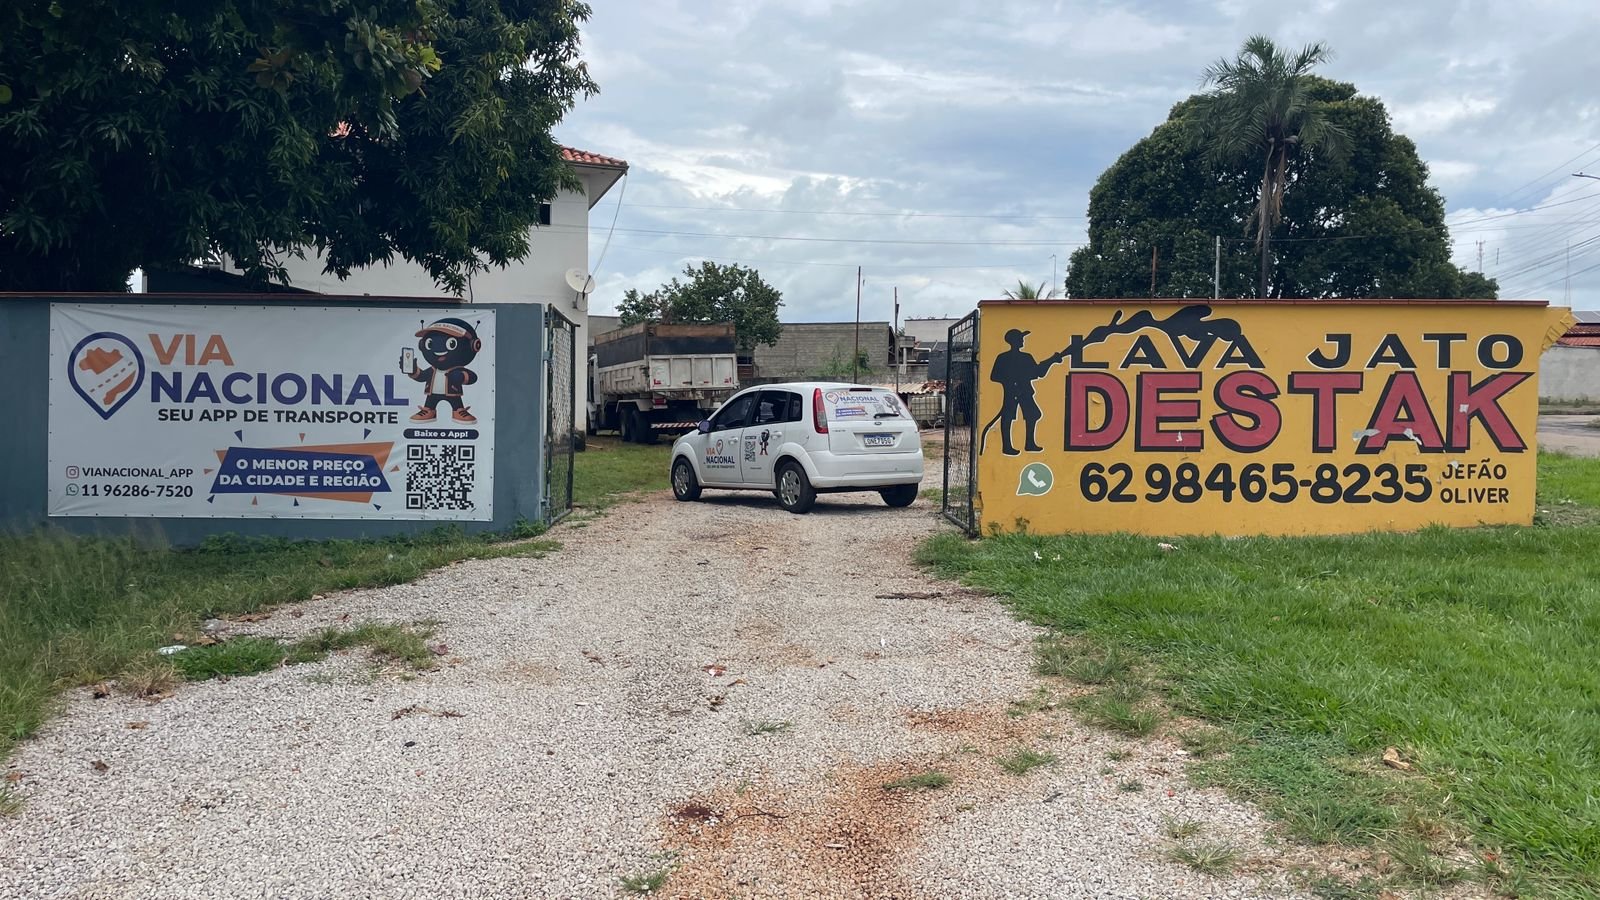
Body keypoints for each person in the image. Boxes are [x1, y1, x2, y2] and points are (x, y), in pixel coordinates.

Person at [987, 328, 1067, 456]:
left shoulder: (1026, 357)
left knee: (1033, 414)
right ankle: (1007, 446)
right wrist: (1011, 382)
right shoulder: (1003, 357)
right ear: (1014, 341)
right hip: (1011, 392)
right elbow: (994, 375)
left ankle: (1029, 443)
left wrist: (1051, 361)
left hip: (1025, 391)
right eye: (1020, 338)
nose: (1022, 341)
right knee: (1008, 418)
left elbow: (1037, 372)